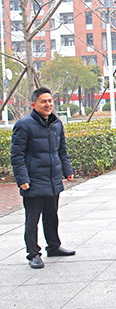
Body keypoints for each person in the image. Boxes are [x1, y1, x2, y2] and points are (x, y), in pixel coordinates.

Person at [11, 87, 75, 269]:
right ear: (33, 104)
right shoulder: (23, 125)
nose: (48, 105)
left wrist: (67, 170)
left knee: (51, 216)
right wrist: (22, 179)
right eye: (43, 101)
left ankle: (54, 246)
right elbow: (17, 155)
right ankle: (33, 254)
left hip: (53, 179)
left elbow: (61, 150)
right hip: (33, 181)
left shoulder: (56, 124)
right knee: (32, 220)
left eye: (50, 101)